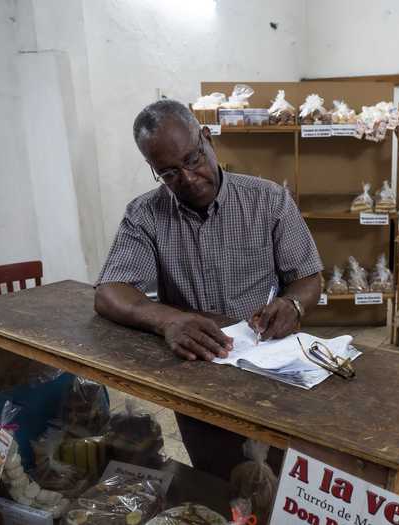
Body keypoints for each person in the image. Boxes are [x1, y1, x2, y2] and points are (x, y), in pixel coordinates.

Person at [94, 99, 323, 477]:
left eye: (193, 159)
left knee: (279, 473)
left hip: (263, 359)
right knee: (216, 475)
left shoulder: (267, 200)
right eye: (168, 173)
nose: (187, 178)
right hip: (197, 369)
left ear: (207, 138)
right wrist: (168, 320)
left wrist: (293, 305)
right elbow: (109, 291)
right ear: (153, 170)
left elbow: (308, 277)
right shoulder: (145, 215)